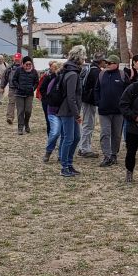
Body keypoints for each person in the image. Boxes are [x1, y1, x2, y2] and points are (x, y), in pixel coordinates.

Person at [56, 45, 86, 177]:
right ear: (79, 57)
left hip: (69, 110)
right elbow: (71, 97)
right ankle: (64, 166)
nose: (84, 60)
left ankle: (68, 164)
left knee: (76, 137)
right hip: (68, 111)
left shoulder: (70, 70)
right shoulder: (73, 74)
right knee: (68, 139)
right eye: (83, 57)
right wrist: (77, 115)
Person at [94, 55, 126, 166]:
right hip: (104, 111)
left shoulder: (122, 75)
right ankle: (107, 156)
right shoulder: (101, 74)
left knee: (117, 135)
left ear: (116, 64)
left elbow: (128, 90)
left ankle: (114, 154)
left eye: (109, 63)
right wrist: (98, 102)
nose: (106, 65)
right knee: (105, 133)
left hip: (118, 111)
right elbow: (96, 89)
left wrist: (124, 105)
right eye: (106, 63)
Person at [78, 55, 104, 158]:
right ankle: (84, 149)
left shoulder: (90, 69)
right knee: (88, 124)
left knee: (87, 124)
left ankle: (83, 147)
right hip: (90, 101)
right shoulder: (96, 72)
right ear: (100, 61)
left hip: (86, 99)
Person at [8, 55, 39, 134]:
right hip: (19, 94)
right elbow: (14, 80)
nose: (28, 66)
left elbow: (36, 82)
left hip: (29, 94)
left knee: (28, 111)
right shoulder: (18, 70)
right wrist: (18, 86)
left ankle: (26, 123)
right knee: (20, 111)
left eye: (30, 64)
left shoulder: (34, 72)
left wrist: (33, 88)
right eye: (26, 64)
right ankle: (20, 127)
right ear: (23, 64)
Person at [41, 61, 62, 160]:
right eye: (53, 67)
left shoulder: (64, 78)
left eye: (55, 67)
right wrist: (47, 99)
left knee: (63, 134)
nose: (52, 69)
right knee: (55, 131)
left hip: (63, 110)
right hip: (52, 108)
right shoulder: (49, 78)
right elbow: (42, 89)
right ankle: (49, 150)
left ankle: (61, 154)